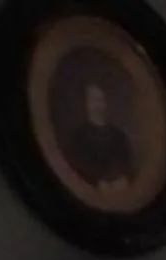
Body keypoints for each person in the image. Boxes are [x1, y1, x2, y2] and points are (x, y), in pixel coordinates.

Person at [50, 51, 138, 194]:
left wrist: (122, 180)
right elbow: (76, 171)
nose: (98, 105)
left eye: (100, 100)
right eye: (93, 100)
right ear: (86, 104)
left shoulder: (118, 136)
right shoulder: (78, 137)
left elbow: (128, 167)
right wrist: (96, 183)